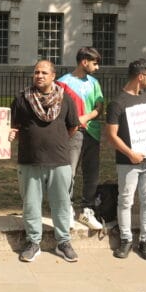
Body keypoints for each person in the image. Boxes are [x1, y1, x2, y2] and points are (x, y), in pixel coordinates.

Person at [9, 60, 80, 263]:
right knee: (31, 204)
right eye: (36, 72)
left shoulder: (66, 99)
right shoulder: (22, 99)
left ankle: (63, 242)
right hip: (29, 160)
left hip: (59, 161)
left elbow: (72, 127)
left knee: (62, 204)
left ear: (53, 76)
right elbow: (13, 126)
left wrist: (54, 141)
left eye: (44, 73)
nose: (39, 76)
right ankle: (33, 242)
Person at [106, 58, 146, 260]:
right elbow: (112, 135)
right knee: (125, 200)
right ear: (141, 76)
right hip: (129, 163)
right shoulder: (118, 102)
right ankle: (126, 239)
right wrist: (129, 153)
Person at [57, 47, 104, 230]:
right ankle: (66, 208)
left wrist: (87, 117)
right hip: (73, 134)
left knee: (92, 173)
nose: (97, 67)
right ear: (84, 61)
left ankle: (87, 210)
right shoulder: (63, 83)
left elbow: (100, 106)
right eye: (95, 63)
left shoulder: (94, 82)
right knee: (69, 173)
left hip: (92, 133)